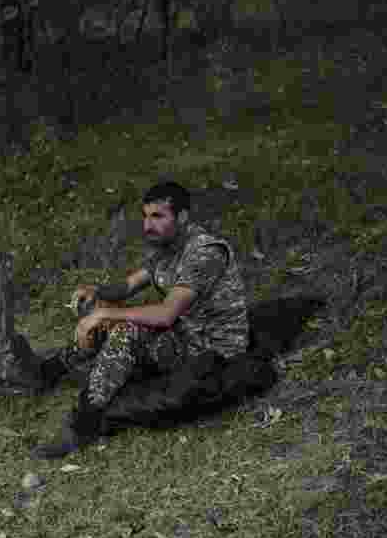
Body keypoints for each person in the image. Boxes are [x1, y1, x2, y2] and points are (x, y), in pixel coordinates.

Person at [31, 181, 250, 459]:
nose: (148, 225)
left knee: (125, 329)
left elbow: (166, 313)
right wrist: (96, 293)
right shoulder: (168, 247)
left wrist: (105, 314)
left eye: (158, 216)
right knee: (107, 314)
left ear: (182, 217)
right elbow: (128, 286)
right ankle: (52, 370)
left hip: (211, 349)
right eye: (146, 216)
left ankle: (84, 423)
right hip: (183, 333)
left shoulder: (204, 253)